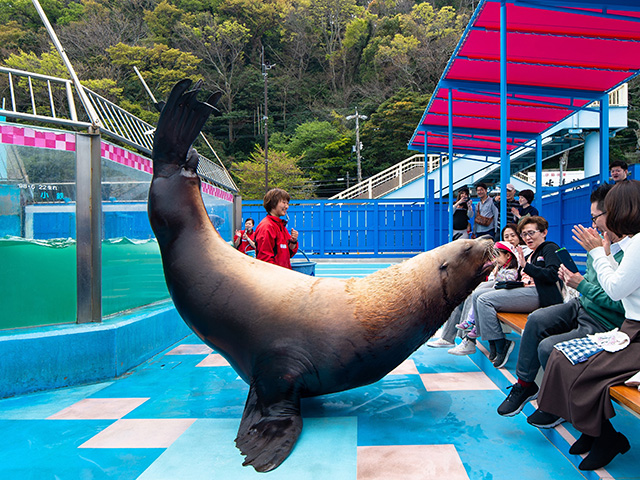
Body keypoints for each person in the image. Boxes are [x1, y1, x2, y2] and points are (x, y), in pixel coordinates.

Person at [534, 180, 640, 471]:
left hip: (635, 333)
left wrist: (597, 253)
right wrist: (604, 252)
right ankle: (593, 432)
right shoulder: (631, 244)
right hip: (629, 329)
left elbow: (615, 290)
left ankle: (607, 438)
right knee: (562, 354)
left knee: (588, 371)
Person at [497, 184, 627, 421]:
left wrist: (581, 284)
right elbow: (590, 281)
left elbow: (618, 301)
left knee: (549, 347)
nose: (593, 224)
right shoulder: (600, 243)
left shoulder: (628, 253)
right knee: (536, 320)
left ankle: (558, 403)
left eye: (595, 217)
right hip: (582, 306)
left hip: (603, 320)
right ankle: (525, 384)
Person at [474, 216, 563, 368]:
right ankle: (494, 342)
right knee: (478, 295)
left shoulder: (550, 248)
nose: (527, 237)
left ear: (544, 232)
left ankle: (501, 344)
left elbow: (552, 274)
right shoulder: (533, 253)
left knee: (484, 300)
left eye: (531, 233)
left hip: (541, 294)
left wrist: (526, 267)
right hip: (526, 290)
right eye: (524, 234)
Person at [430, 224, 524, 351]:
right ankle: (448, 338)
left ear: (519, 236)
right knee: (461, 295)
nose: (510, 238)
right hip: (496, 285)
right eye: (506, 236)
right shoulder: (499, 252)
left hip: (510, 289)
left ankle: (467, 340)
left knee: (475, 295)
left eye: (513, 235)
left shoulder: (523, 252)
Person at [254, 188, 299, 269]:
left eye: (287, 203)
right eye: (284, 203)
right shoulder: (266, 227)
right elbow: (265, 260)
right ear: (273, 203)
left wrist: (293, 240)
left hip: (283, 274)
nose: (287, 206)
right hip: (274, 277)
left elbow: (289, 253)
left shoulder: (280, 226)